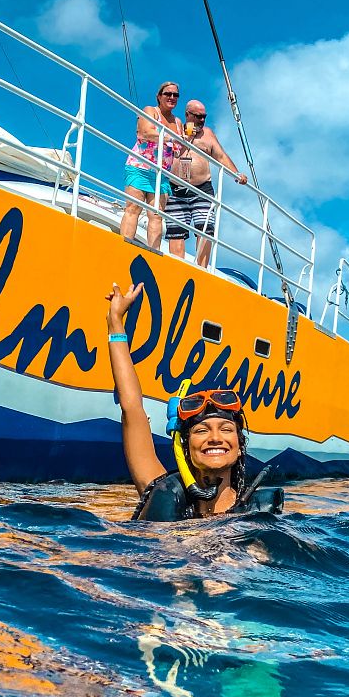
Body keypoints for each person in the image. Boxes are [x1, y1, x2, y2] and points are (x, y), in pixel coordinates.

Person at [106, 281, 284, 521]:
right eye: (201, 430)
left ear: (240, 445)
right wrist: (115, 321)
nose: (215, 438)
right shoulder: (162, 490)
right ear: (184, 446)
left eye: (226, 429)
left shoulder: (258, 516)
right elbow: (131, 407)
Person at [164, 100, 248, 268]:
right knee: (176, 232)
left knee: (205, 230)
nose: (202, 120)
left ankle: (201, 270)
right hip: (175, 187)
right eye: (198, 116)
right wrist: (184, 136)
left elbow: (221, 156)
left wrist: (236, 173)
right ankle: (177, 268)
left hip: (202, 188)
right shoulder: (175, 128)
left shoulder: (208, 134)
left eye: (204, 117)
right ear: (188, 114)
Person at [119, 82, 185, 253]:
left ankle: (153, 254)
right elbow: (145, 132)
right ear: (159, 96)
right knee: (133, 208)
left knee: (156, 215)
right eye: (168, 94)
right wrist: (173, 138)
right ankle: (123, 248)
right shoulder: (150, 110)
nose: (171, 97)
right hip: (140, 166)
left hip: (161, 173)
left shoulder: (177, 122)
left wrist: (184, 141)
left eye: (175, 95)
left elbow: (179, 150)